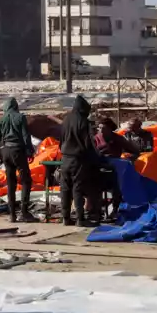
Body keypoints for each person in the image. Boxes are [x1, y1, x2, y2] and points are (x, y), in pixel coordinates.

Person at [59, 95, 99, 227]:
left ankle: (65, 218)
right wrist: (96, 158)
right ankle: (80, 219)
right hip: (78, 159)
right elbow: (89, 144)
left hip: (65, 159)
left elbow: (61, 140)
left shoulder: (65, 120)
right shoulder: (83, 122)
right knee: (77, 188)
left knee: (65, 188)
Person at [0, 97, 36, 223]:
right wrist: (29, 150)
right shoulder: (20, 117)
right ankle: (24, 212)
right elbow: (25, 135)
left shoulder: (1, 120)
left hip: (6, 151)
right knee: (26, 181)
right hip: (18, 151)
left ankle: (12, 214)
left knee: (11, 183)